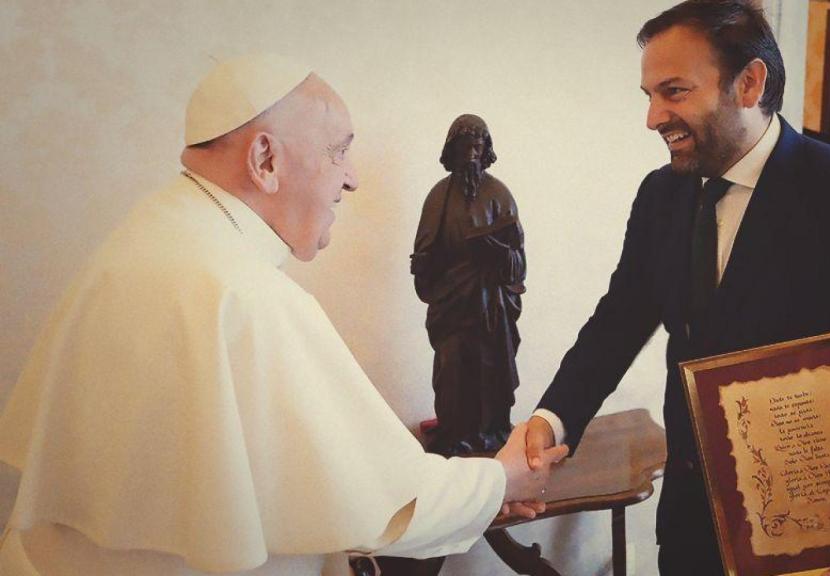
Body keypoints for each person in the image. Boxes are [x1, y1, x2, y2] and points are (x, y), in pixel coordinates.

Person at [0, 54, 567, 576]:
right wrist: (502, 477)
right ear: (265, 159)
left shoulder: (149, 232)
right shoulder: (241, 293)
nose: (352, 177)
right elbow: (381, 498)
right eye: (338, 151)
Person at [517, 2, 830, 575]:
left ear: (749, 83)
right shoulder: (660, 197)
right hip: (693, 530)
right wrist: (551, 420)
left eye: (674, 91)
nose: (653, 117)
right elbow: (618, 322)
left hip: (829, 544)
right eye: (649, 95)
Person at [411, 114, 526, 456]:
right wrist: (427, 265)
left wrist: (498, 255)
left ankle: (493, 432)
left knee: (492, 375)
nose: (472, 155)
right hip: (453, 305)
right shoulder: (438, 198)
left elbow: (518, 263)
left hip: (492, 307)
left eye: (478, 147)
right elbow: (424, 254)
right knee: (453, 376)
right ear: (453, 151)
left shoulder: (499, 194)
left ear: (486, 150)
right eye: (465, 148)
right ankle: (455, 436)